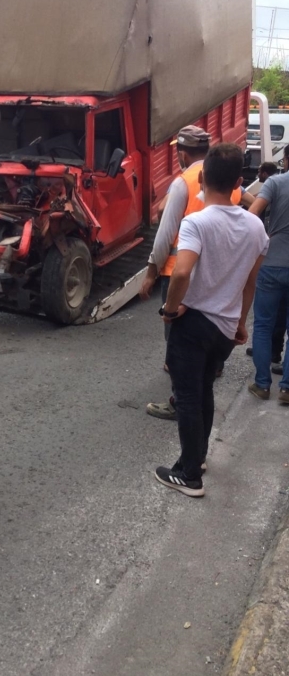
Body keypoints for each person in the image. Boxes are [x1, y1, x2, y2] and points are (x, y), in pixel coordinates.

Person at [154, 143, 268, 497]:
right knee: (203, 391)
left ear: (201, 177)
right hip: (224, 327)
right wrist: (240, 322)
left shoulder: (197, 223)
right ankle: (197, 458)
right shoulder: (255, 228)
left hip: (193, 324)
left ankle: (189, 476)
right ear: (238, 182)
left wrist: (171, 311)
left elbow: (182, 271)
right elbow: (250, 282)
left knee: (187, 396)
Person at [140, 125, 241, 418]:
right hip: (217, 271)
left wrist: (150, 272)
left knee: (178, 341)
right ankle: (209, 374)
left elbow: (164, 235)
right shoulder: (230, 184)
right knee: (208, 330)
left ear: (182, 154)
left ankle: (179, 402)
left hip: (179, 273)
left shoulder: (183, 183)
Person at [247, 144, 289, 403]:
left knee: (263, 325)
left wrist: (264, 238)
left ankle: (262, 385)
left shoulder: (274, 183)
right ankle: (287, 389)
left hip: (272, 262)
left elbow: (252, 215)